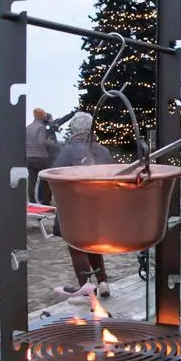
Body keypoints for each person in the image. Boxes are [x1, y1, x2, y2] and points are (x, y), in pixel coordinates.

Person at [51, 112, 113, 301]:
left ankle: (86, 286)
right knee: (94, 245)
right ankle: (102, 282)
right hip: (97, 207)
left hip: (73, 208)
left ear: (74, 130)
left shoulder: (67, 151)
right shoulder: (103, 151)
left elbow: (54, 176)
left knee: (76, 246)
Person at [25, 108, 53, 205]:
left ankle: (32, 201)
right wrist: (49, 143)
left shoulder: (27, 127)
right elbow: (41, 142)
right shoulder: (41, 127)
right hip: (41, 157)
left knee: (31, 180)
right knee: (45, 180)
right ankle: (45, 201)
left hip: (29, 157)